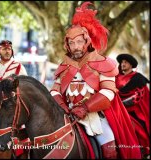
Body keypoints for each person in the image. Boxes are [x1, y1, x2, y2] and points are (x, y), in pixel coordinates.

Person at [50, 2, 141, 159]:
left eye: (79, 42)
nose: (75, 47)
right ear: (67, 44)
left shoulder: (103, 63)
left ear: (87, 42)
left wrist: (84, 108)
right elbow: (54, 91)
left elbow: (108, 93)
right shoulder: (64, 66)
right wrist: (63, 107)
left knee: (109, 146)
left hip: (96, 117)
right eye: (71, 43)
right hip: (66, 115)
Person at [115, 53, 150, 157]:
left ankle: (142, 150)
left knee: (140, 127)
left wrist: (124, 103)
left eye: (125, 62)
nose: (122, 64)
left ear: (131, 65)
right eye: (122, 62)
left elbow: (140, 96)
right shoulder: (116, 78)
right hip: (117, 109)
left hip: (134, 110)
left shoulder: (138, 78)